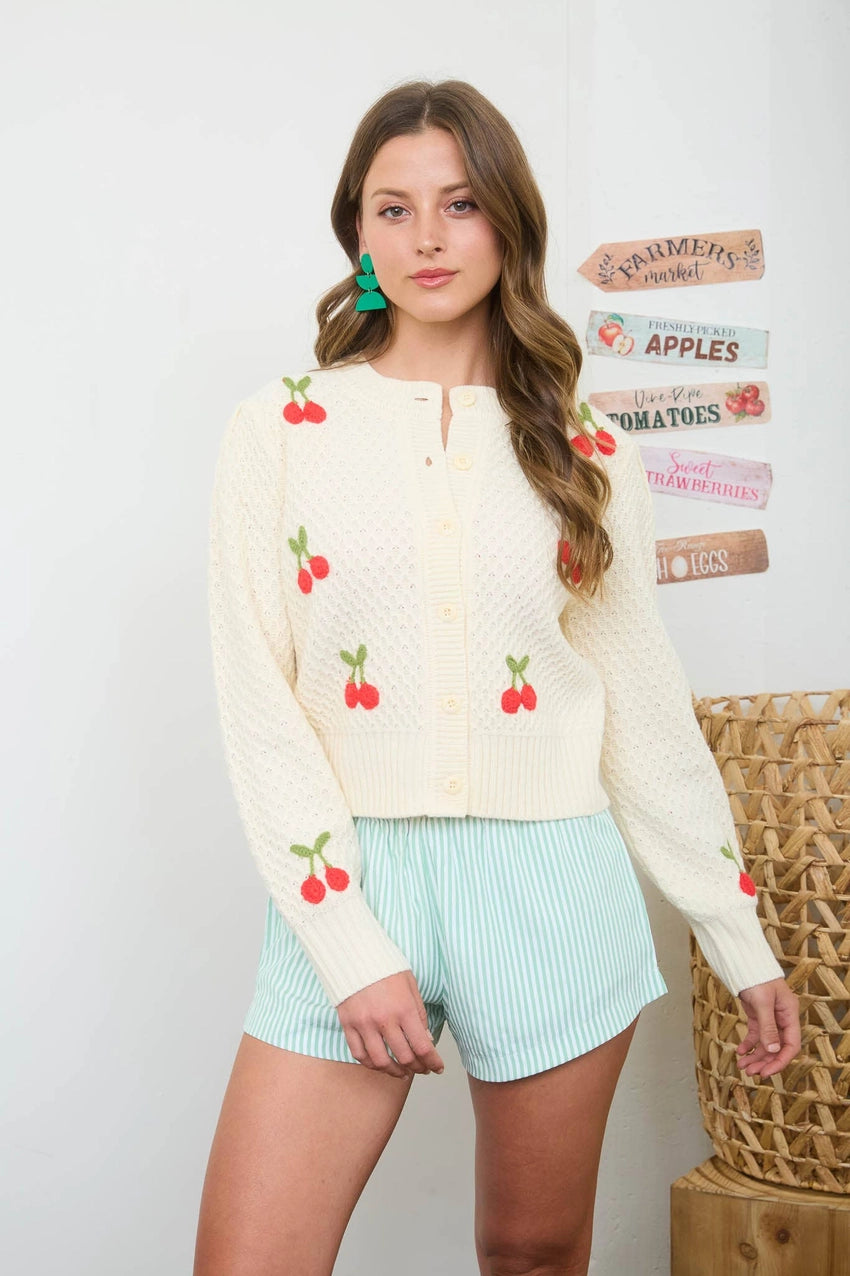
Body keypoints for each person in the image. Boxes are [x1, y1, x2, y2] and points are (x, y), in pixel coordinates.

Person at [194, 78, 801, 1276]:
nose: (427, 236)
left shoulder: (585, 447)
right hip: (351, 874)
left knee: (530, 1253)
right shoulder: (283, 429)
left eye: (461, 203)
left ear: (508, 221)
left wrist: (738, 939)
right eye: (394, 208)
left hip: (552, 882)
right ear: (358, 234)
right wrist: (346, 940)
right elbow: (258, 701)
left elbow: (641, 711)